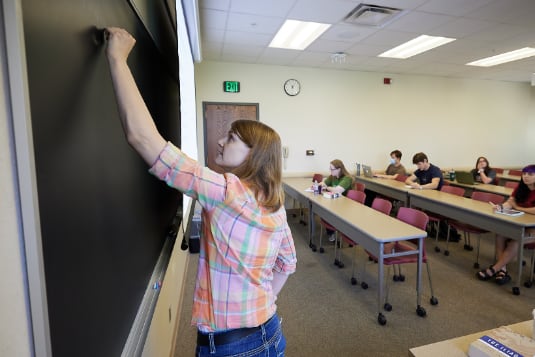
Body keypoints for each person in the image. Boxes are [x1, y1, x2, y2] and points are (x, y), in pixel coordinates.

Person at [105, 27, 297, 356]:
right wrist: (264, 301)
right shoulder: (274, 202)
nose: (221, 141)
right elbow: (288, 263)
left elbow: (143, 138)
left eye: (233, 138)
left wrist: (116, 59)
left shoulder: (225, 191)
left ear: (253, 153)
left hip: (231, 346)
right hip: (269, 331)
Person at [477, 165, 535, 285]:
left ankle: (494, 269)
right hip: (520, 222)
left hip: (532, 227)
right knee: (501, 233)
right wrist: (501, 207)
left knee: (517, 240)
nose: (526, 177)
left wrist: (518, 207)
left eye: (530, 174)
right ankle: (502, 270)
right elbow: (510, 202)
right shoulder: (521, 188)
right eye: (524, 174)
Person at [319, 159, 353, 241]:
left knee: (328, 212)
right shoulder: (332, 176)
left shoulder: (347, 178)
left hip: (346, 205)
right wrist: (321, 184)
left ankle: (335, 231)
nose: (330, 171)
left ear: (339, 169)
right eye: (330, 168)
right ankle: (331, 232)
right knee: (325, 210)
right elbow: (323, 183)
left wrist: (327, 188)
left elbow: (338, 190)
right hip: (335, 202)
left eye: (332, 169)